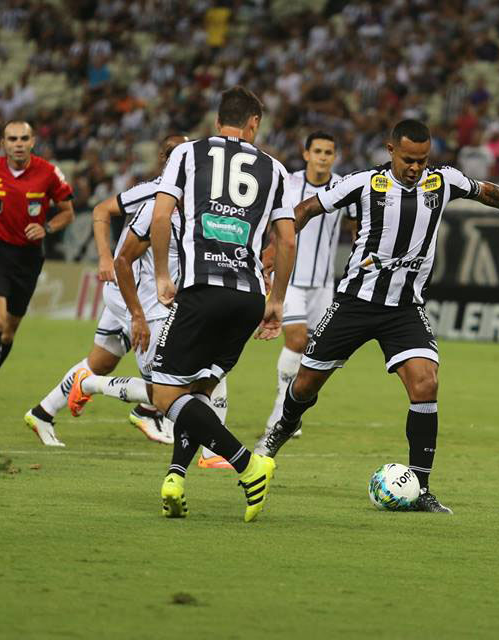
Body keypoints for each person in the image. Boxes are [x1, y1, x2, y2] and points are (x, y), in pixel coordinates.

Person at [255, 119, 499, 513]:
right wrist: (275, 248)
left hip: (405, 308)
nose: (415, 167)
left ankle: (421, 486)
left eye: (422, 160)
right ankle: (274, 440)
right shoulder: (363, 184)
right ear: (391, 150)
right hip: (355, 302)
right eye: (408, 159)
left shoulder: (442, 182)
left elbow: (488, 191)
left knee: (426, 382)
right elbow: (304, 209)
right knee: (305, 386)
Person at [148, 86, 296, 522]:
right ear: (254, 124)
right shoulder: (275, 169)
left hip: (203, 291)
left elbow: (161, 216)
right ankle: (175, 475)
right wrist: (277, 299)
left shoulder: (187, 154)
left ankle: (249, 465)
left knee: (164, 394)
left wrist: (161, 275)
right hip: (249, 296)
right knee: (200, 391)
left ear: (217, 121)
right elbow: (286, 238)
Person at [24, 134, 187, 446]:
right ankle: (146, 411)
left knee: (102, 359)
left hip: (133, 293)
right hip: (138, 296)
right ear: (164, 160)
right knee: (164, 380)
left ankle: (43, 412)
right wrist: (103, 257)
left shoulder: (189, 196)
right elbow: (100, 210)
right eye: (171, 153)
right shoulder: (153, 191)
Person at [0, 120, 74, 418]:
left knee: (8, 332)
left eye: (23, 138)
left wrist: (46, 227)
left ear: (32, 142)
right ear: (3, 143)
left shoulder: (48, 173)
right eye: (11, 139)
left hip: (29, 258)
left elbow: (67, 212)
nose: (17, 143)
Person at [263, 131, 358, 434]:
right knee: (295, 340)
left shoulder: (343, 187)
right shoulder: (289, 185)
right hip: (288, 279)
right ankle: (279, 411)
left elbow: (356, 225)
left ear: (334, 156)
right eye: (317, 151)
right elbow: (273, 225)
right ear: (306, 154)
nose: (322, 157)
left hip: (322, 284)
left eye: (328, 152)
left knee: (312, 352)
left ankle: (291, 412)